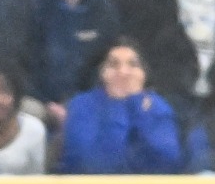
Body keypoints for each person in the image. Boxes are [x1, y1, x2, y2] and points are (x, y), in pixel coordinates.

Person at [56, 38, 181, 173]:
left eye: (132, 65)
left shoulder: (157, 107)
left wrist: (136, 105)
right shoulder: (82, 105)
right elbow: (90, 163)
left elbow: (168, 162)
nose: (123, 72)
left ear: (144, 74)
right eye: (114, 64)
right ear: (102, 72)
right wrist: (116, 106)